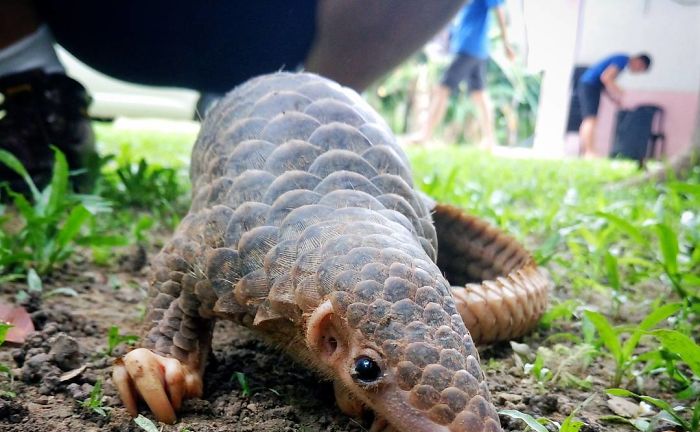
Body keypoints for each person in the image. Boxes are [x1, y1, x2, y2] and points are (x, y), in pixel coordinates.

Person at [0, 0, 467, 188]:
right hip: (101, 20)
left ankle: (308, 122)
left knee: (305, 134)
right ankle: (34, 92)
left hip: (280, 27)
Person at [415, 0, 514, 148]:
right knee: (479, 94)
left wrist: (506, 42)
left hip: (469, 47)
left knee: (442, 89)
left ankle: (425, 134)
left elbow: (498, 9)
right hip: (474, 48)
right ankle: (490, 140)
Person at [577, 52, 652, 158]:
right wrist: (621, 92)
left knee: (590, 119)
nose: (637, 71)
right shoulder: (622, 60)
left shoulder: (621, 61)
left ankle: (586, 151)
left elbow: (604, 81)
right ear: (639, 61)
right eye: (640, 69)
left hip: (592, 86)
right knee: (590, 119)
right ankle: (589, 152)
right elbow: (606, 77)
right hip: (590, 86)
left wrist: (613, 98)